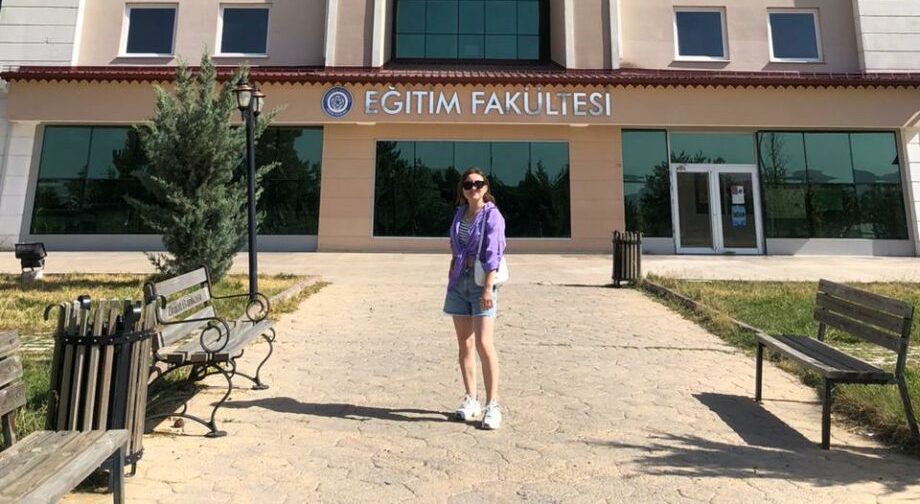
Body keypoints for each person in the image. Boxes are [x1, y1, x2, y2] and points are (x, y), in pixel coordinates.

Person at [443, 168, 507, 430]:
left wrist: (488, 287)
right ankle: (471, 399)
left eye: (478, 184)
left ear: (485, 187)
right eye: (468, 184)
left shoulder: (492, 215)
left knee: (483, 343)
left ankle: (493, 405)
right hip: (459, 281)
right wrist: (452, 273)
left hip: (482, 282)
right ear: (463, 189)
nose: (473, 188)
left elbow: (494, 251)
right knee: (465, 343)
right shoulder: (460, 213)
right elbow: (455, 246)